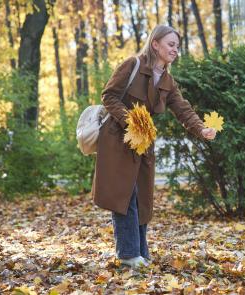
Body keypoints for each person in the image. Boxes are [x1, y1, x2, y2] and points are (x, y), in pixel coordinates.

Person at [91, 25, 217, 269]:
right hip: (118, 139)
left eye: (177, 46)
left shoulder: (168, 81)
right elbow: (108, 95)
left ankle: (140, 253)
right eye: (170, 44)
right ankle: (128, 254)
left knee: (143, 199)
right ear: (155, 44)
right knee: (124, 196)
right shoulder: (132, 65)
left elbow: (182, 109)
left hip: (143, 144)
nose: (175, 50)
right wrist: (130, 120)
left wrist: (201, 129)